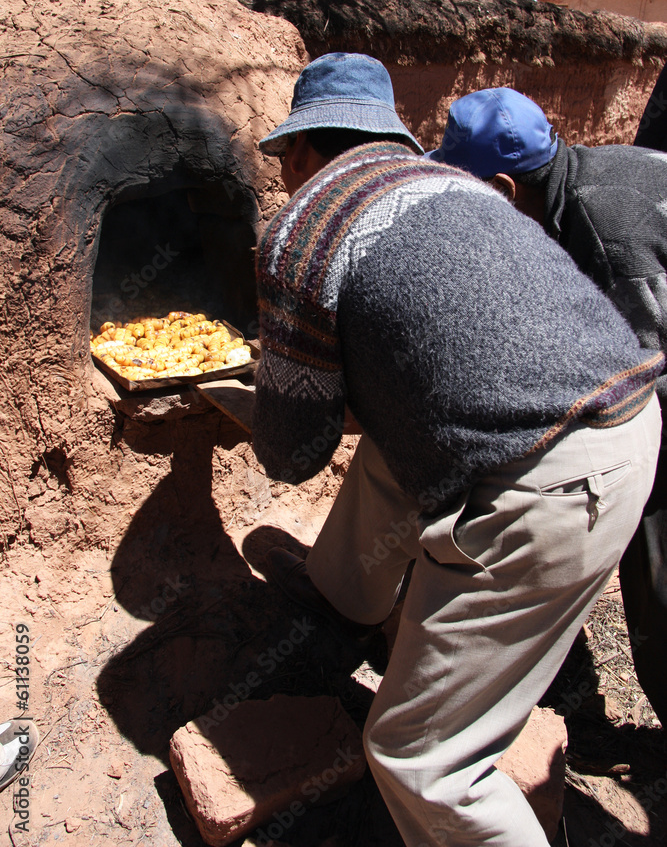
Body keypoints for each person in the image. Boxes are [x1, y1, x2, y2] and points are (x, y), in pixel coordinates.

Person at [252, 53, 663, 847]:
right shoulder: (462, 192)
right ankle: (349, 602)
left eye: (282, 162)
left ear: (303, 152)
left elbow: (292, 455)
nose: (280, 178)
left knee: (420, 756)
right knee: (392, 452)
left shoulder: (299, 231)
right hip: (634, 421)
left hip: (553, 488)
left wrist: (271, 396)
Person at [429, 85, 667, 728]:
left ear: (505, 190)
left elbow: (647, 380)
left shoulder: (604, 230)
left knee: (655, 565)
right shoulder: (575, 180)